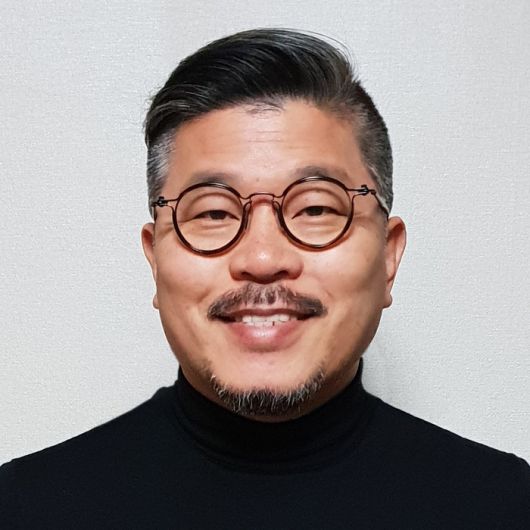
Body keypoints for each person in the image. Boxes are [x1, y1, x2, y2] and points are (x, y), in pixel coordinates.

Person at [0, 28, 528, 529]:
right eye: (213, 212)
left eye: (316, 208)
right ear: (155, 260)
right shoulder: (26, 507)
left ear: (388, 257)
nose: (262, 257)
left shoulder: (503, 506)